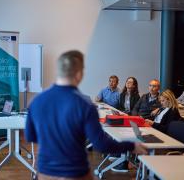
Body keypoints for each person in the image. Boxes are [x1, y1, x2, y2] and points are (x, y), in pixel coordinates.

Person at [25, 50, 147, 180]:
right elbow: (101, 145)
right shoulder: (85, 105)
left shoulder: (36, 101)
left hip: (45, 173)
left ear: (58, 71)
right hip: (75, 173)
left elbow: (30, 136)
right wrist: (131, 146)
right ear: (79, 73)